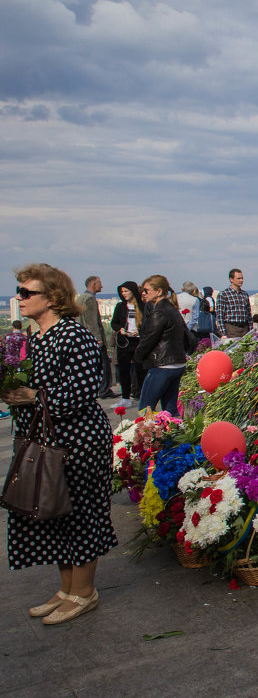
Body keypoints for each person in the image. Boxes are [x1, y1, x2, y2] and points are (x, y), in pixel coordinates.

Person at [2, 263, 118, 625]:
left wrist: (33, 395)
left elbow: (83, 394)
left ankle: (85, 592)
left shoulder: (73, 335)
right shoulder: (37, 338)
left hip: (78, 442)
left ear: (52, 298)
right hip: (49, 442)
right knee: (53, 512)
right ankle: (68, 589)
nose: (18, 298)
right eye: (17, 292)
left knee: (81, 514)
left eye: (26, 293)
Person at [133, 275, 187, 416]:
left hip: (162, 364)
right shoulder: (172, 309)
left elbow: (148, 339)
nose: (144, 293)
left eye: (146, 290)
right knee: (170, 410)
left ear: (158, 291)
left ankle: (152, 437)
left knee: (145, 409)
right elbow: (188, 336)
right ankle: (174, 436)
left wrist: (137, 357)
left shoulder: (159, 312)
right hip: (176, 363)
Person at [75, 276, 115, 399]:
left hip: (83, 338)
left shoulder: (81, 298)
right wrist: (98, 339)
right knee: (104, 365)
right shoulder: (90, 299)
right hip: (93, 339)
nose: (101, 286)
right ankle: (104, 390)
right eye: (99, 283)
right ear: (93, 284)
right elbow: (92, 321)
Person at [109, 280, 146, 409]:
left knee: (141, 369)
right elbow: (114, 323)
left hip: (138, 340)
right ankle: (125, 397)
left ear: (133, 292)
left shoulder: (142, 306)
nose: (124, 294)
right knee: (124, 370)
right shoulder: (120, 307)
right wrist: (120, 329)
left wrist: (139, 331)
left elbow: (148, 324)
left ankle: (143, 396)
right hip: (124, 342)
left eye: (126, 291)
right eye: (122, 292)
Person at [215, 268, 252, 339]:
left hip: (245, 329)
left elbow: (249, 314)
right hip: (231, 329)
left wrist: (251, 331)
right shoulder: (223, 294)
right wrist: (223, 333)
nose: (241, 280)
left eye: (242, 278)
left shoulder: (244, 294)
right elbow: (220, 316)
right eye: (238, 278)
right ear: (231, 279)